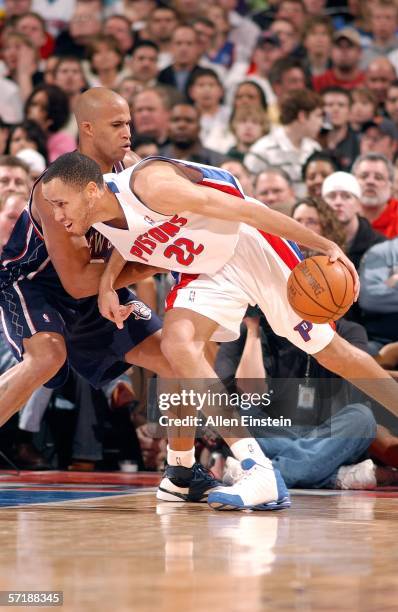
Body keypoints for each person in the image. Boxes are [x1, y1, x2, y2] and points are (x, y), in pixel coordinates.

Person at [42, 151, 398, 511]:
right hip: (206, 267)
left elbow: (246, 209)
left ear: (90, 191)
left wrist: (324, 245)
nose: (56, 215)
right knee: (177, 345)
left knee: (332, 352)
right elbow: (131, 234)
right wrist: (107, 283)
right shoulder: (96, 213)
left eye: (60, 204)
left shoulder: (153, 186)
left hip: (250, 244)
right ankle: (253, 469)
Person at [0, 90, 217, 492]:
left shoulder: (132, 169)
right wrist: (159, 260)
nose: (128, 133)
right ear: (87, 128)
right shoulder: (58, 185)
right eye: (117, 125)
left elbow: (136, 239)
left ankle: (181, 471)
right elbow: (77, 281)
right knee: (47, 356)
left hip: (99, 282)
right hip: (37, 284)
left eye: (129, 123)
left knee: (175, 358)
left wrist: (150, 257)